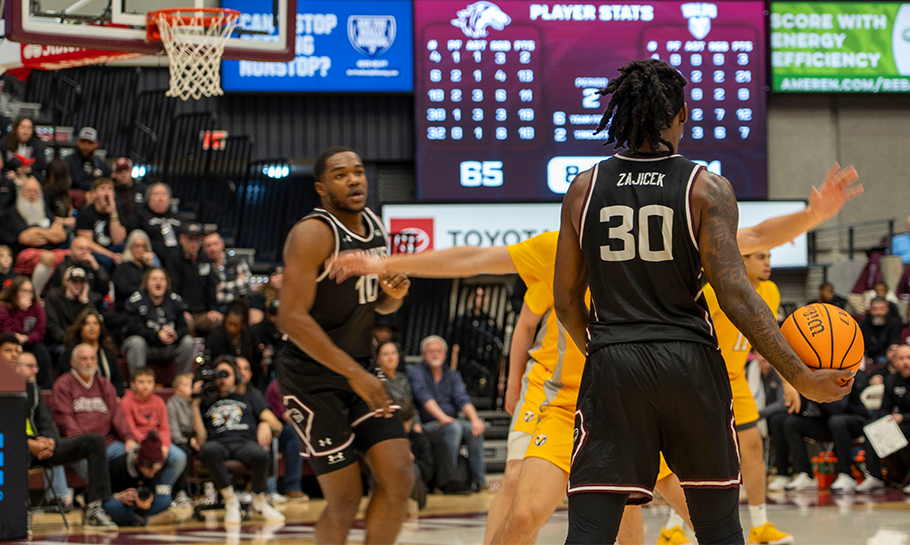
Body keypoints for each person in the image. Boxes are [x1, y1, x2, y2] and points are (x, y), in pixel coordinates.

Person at [328, 154, 863, 545]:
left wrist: (814, 216)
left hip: (640, 397)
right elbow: (473, 260)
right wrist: (378, 263)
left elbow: (754, 236)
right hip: (568, 401)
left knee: (696, 521)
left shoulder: (673, 230)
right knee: (520, 512)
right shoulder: (562, 241)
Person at [551, 59, 851, 544]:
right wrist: (799, 374)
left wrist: (603, 351)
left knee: (588, 531)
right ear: (680, 116)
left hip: (614, 365)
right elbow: (735, 293)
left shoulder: (583, 189)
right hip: (690, 366)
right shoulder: (706, 189)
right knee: (718, 530)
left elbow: (564, 298)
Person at [275, 145, 413, 544]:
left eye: (358, 171)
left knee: (401, 477)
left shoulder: (375, 225)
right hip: (310, 379)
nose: (354, 179)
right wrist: (356, 374)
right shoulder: (312, 233)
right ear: (321, 187)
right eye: (341, 174)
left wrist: (394, 294)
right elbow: (290, 318)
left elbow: (379, 304)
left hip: (358, 367)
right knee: (346, 499)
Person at [687, 250, 793, 543]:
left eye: (770, 255)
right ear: (741, 258)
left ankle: (760, 525)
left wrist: (788, 381)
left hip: (736, 378)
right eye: (760, 255)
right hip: (703, 379)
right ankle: (676, 526)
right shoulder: (714, 290)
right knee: (698, 457)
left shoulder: (770, 290)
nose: (768, 261)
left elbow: (770, 338)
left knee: (753, 448)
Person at [7, 342, 118, 529]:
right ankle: (19, 511)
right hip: (21, 447)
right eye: (29, 366)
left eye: (36, 366)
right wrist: (30, 443)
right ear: (15, 367)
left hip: (41, 447)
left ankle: (94, 507)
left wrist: (50, 441)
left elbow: (45, 422)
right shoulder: (5, 390)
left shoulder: (33, 389)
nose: (35, 370)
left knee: (95, 441)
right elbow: (7, 431)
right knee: (19, 449)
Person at [191, 356, 285, 523]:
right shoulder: (206, 401)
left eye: (226, 374)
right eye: (218, 375)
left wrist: (264, 424)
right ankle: (230, 500)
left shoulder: (250, 397)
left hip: (243, 443)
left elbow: (276, 424)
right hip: (218, 443)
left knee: (262, 455)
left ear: (236, 376)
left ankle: (259, 501)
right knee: (208, 450)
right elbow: (201, 438)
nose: (222, 380)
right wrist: (195, 405)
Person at [407, 335, 487, 490]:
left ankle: (480, 480)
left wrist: (475, 419)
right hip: (427, 424)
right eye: (431, 351)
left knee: (473, 429)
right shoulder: (416, 372)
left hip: (450, 421)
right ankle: (446, 480)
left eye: (438, 351)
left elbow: (462, 399)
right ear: (424, 355)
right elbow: (424, 398)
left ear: (444, 354)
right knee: (454, 428)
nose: (435, 354)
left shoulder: (452, 375)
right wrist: (444, 418)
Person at [782, 369, 870, 493]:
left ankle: (846, 475)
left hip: (855, 420)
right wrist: (803, 393)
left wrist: (815, 391)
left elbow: (838, 408)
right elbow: (800, 411)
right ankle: (805, 474)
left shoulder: (840, 372)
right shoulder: (812, 376)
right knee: (792, 423)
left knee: (837, 422)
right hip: (830, 421)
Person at [52, 343, 137, 460]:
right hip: (78, 446)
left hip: (108, 444)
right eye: (84, 359)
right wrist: (84, 444)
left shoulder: (105, 384)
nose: (89, 362)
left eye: (92, 358)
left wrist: (129, 439)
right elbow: (66, 422)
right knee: (96, 467)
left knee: (136, 457)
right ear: (73, 362)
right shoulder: (63, 385)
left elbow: (118, 416)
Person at [121, 367, 188, 496]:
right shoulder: (126, 401)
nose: (145, 385)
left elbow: (164, 428)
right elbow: (130, 428)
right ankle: (138, 491)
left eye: (149, 382)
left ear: (154, 383)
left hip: (158, 441)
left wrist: (164, 446)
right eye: (141, 382)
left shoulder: (158, 401)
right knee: (139, 457)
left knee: (179, 457)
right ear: (133, 384)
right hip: (138, 441)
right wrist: (150, 446)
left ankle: (162, 490)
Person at [122, 268, 195, 376]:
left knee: (188, 341)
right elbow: (134, 329)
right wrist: (157, 335)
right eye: (154, 279)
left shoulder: (175, 300)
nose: (158, 282)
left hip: (168, 347)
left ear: (167, 283)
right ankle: (138, 383)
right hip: (146, 346)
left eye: (162, 279)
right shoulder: (136, 301)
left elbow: (183, 327)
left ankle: (183, 383)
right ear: (146, 282)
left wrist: (176, 334)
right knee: (136, 342)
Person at [857, 344, 910, 492]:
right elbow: (884, 409)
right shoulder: (891, 380)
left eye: (909, 358)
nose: (905, 362)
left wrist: (903, 417)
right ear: (895, 362)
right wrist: (880, 422)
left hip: (905, 419)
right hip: (903, 422)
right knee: (871, 427)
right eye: (901, 358)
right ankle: (875, 476)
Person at [1, 176, 68, 294]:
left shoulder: (44, 211)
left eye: (36, 191)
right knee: (48, 257)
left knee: (74, 254)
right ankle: (34, 296)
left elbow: (61, 235)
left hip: (50, 250)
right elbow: (25, 238)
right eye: (28, 191)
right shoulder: (13, 212)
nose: (32, 195)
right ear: (21, 192)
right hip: (23, 254)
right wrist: (50, 234)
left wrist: (35, 231)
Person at [103, 430, 183, 526]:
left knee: (166, 500)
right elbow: (103, 495)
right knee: (110, 505)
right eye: (149, 469)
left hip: (141, 506)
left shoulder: (154, 469)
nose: (152, 473)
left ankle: (133, 520)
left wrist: (149, 499)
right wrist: (118, 496)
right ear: (138, 461)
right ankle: (146, 520)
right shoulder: (117, 464)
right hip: (121, 503)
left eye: (155, 470)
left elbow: (152, 489)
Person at [167, 221, 221, 336]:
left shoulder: (204, 259)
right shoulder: (174, 259)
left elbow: (210, 287)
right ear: (182, 239)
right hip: (182, 313)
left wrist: (213, 309)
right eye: (190, 239)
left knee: (219, 319)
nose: (194, 244)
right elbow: (173, 289)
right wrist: (181, 310)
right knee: (187, 322)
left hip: (202, 313)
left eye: (197, 239)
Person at [0, 275, 54, 388]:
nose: (28, 295)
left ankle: (45, 389)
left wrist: (26, 338)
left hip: (28, 342)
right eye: (24, 291)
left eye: (30, 292)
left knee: (42, 351)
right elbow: (7, 331)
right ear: (14, 292)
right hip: (8, 342)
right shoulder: (3, 307)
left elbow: (40, 331)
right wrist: (21, 311)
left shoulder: (36, 307)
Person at [263, 377, 308, 503]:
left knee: (295, 434)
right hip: (274, 426)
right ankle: (273, 489)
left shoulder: (303, 384)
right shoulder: (277, 386)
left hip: (290, 428)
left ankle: (293, 487)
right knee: (291, 432)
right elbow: (288, 417)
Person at [62, 308, 124, 395]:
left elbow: (117, 380)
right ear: (80, 328)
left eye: (95, 323)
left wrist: (116, 397)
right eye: (87, 323)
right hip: (79, 399)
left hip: (107, 399)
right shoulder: (71, 352)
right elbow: (65, 379)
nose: (92, 327)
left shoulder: (108, 351)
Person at [75, 178, 126, 271]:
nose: (107, 192)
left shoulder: (118, 212)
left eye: (110, 189)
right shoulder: (86, 213)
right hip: (94, 250)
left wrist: (113, 213)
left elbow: (118, 240)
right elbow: (88, 243)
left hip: (111, 247)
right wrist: (111, 255)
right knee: (105, 260)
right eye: (102, 189)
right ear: (94, 194)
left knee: (123, 249)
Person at [206, 299, 258, 385]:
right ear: (225, 319)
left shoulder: (248, 336)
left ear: (242, 324)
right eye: (229, 323)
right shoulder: (217, 335)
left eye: (236, 325)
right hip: (223, 378)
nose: (231, 328)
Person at [166, 372, 196, 505]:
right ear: (177, 391)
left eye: (192, 384)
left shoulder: (198, 402)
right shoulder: (172, 403)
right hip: (179, 440)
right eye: (186, 385)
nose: (191, 387)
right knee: (183, 450)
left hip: (196, 440)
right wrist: (189, 441)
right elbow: (174, 432)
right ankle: (180, 491)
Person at [202, 231, 252, 309]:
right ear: (203, 248)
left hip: (238, 307)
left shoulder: (237, 261)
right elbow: (206, 294)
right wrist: (237, 284)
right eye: (208, 245)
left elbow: (246, 286)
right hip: (215, 309)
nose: (212, 248)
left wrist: (220, 288)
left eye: (215, 244)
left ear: (222, 243)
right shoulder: (202, 266)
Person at [139, 183, 182, 267]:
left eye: (164, 194)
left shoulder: (180, 219)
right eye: (156, 194)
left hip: (179, 258)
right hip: (154, 258)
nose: (160, 198)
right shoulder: (141, 218)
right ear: (148, 198)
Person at [113, 230, 157, 311]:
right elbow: (123, 289)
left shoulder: (150, 268)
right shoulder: (122, 268)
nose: (140, 249)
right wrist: (145, 290)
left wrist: (151, 266)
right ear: (130, 247)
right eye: (136, 246)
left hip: (149, 309)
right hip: (126, 309)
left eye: (143, 246)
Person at [1, 117, 46, 182]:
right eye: (23, 127)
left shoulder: (37, 144)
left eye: (29, 128)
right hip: (10, 174)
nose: (25, 131)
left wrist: (28, 170)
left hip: (31, 175)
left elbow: (40, 164)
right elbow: (3, 164)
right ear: (16, 128)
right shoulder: (5, 142)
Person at [66, 127, 111, 191]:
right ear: (78, 142)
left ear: (96, 144)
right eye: (83, 142)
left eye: (90, 143)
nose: (85, 146)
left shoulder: (102, 166)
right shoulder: (67, 163)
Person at [860, 297, 903, 364]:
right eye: (875, 309)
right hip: (867, 356)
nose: (878, 312)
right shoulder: (864, 324)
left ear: (887, 309)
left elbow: (894, 343)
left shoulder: (895, 323)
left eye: (882, 309)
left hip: (885, 356)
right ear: (870, 310)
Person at [42, 159, 76, 234]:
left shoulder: (64, 193)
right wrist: (64, 221)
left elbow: (69, 211)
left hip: (66, 230)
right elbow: (45, 216)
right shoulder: (45, 194)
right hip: (52, 230)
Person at [111, 158, 146, 232]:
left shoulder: (142, 190)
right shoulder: (110, 191)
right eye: (120, 171)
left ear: (131, 171)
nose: (123, 174)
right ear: (114, 174)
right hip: (118, 229)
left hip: (141, 229)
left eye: (126, 170)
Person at [377, 341, 412, 407]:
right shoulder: (377, 380)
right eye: (385, 354)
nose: (390, 357)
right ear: (378, 359)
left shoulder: (403, 377)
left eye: (393, 353)